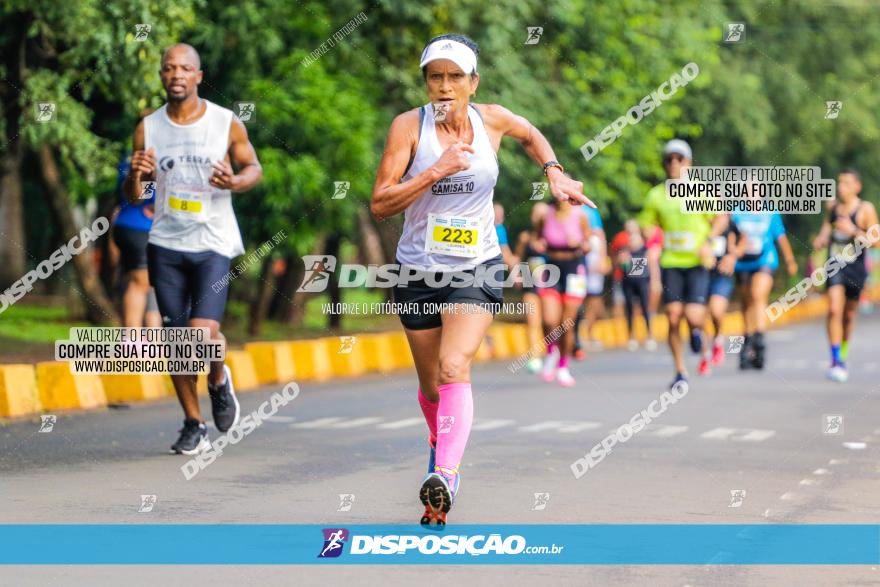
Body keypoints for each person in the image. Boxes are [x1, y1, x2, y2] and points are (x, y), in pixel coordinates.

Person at [370, 34, 592, 527]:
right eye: (435, 76)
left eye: (454, 76)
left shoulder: (490, 118)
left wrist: (554, 171)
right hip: (416, 268)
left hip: (478, 265)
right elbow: (381, 202)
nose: (444, 86)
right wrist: (434, 171)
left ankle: (445, 474)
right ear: (426, 81)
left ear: (473, 82)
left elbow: (531, 133)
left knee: (453, 367)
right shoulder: (409, 127)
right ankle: (440, 447)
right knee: (430, 386)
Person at [124, 43, 263, 454]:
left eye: (185, 68)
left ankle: (218, 379)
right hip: (165, 242)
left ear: (198, 77)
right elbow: (139, 197)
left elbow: (253, 168)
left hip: (212, 242)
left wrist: (235, 182)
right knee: (175, 340)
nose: (177, 75)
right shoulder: (147, 128)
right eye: (169, 68)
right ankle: (193, 422)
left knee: (201, 337)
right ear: (162, 76)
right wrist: (137, 177)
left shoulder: (225, 123)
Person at [638, 139, 727, 389]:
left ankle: (700, 336)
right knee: (674, 317)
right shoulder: (656, 195)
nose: (674, 164)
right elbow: (647, 222)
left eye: (680, 159)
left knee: (693, 316)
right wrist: (647, 233)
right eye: (669, 160)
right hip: (671, 262)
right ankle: (680, 371)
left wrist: (709, 240)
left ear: (688, 163)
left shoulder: (701, 191)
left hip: (697, 262)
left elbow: (720, 218)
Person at [812, 169, 879, 382]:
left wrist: (853, 231)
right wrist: (820, 240)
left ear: (857, 187)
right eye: (840, 183)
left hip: (856, 268)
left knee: (849, 315)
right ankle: (835, 361)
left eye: (847, 184)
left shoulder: (865, 209)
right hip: (834, 266)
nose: (842, 188)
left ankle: (843, 351)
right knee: (833, 309)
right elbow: (825, 230)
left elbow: (876, 241)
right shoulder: (832, 208)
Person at [533, 199, 591, 386]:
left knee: (567, 324)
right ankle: (551, 352)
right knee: (549, 319)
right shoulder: (545, 214)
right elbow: (536, 238)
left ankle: (563, 365)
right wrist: (539, 244)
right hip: (552, 267)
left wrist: (581, 243)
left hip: (574, 269)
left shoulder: (580, 215)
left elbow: (589, 244)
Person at [112, 110, 162, 328]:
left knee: (150, 282)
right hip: (139, 225)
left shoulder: (131, 156)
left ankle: (153, 336)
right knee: (140, 282)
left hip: (132, 226)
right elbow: (140, 197)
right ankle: (132, 339)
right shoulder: (144, 158)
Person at [697, 215, 739, 375]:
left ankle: (718, 340)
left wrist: (732, 256)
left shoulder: (729, 223)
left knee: (716, 311)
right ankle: (704, 356)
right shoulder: (696, 221)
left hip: (721, 274)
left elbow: (741, 241)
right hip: (699, 273)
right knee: (698, 317)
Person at [514, 202, 549, 373]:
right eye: (535, 214)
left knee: (551, 321)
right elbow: (517, 258)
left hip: (551, 284)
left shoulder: (554, 237)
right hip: (531, 283)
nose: (538, 217)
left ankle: (552, 353)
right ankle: (535, 357)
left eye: (542, 214)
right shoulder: (525, 237)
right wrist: (517, 274)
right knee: (532, 320)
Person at [615, 220, 657, 351]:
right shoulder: (624, 248)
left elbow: (652, 265)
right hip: (628, 281)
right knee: (629, 308)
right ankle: (631, 336)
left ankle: (650, 335)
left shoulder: (646, 248)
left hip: (643, 281)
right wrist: (622, 260)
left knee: (645, 307)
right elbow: (619, 265)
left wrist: (655, 281)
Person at [573, 204, 607, 357]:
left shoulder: (590, 210)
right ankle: (575, 336)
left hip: (592, 262)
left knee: (593, 299)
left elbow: (600, 234)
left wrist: (602, 259)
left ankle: (589, 333)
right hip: (575, 263)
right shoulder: (560, 210)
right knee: (575, 300)